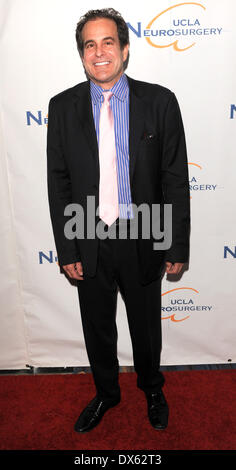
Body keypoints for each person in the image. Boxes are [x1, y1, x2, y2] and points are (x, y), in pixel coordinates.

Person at [47, 8, 190, 433]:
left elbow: (174, 178)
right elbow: (59, 182)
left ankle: (151, 388)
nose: (99, 51)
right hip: (87, 233)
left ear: (125, 50)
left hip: (143, 232)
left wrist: (175, 244)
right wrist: (68, 247)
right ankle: (107, 393)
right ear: (82, 55)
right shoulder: (63, 106)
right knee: (97, 325)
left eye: (108, 42)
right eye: (90, 44)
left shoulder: (160, 101)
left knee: (145, 327)